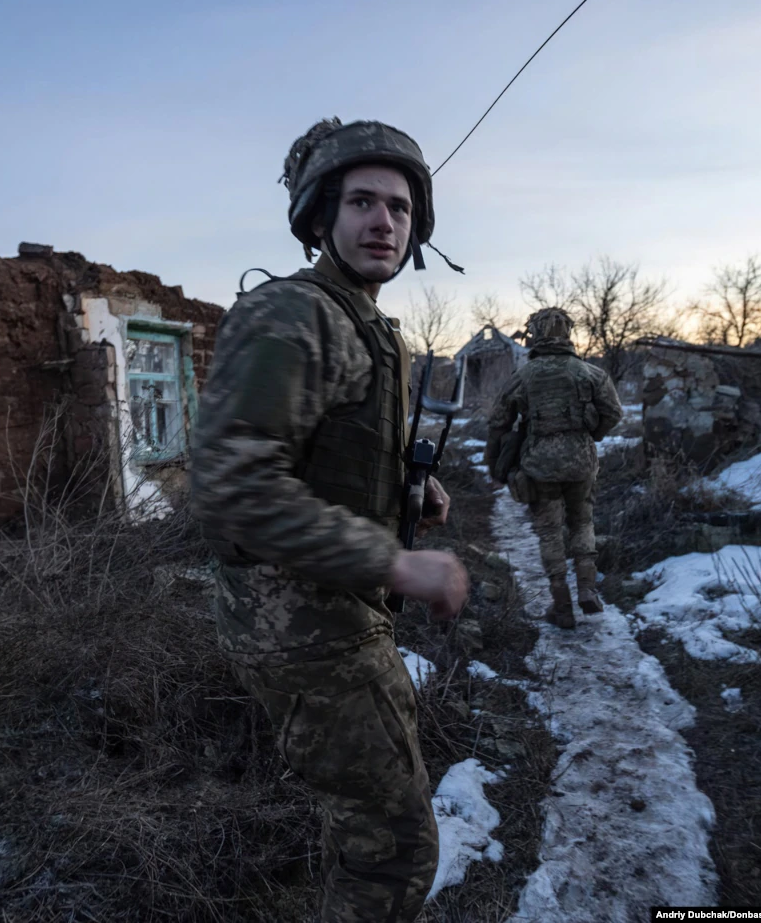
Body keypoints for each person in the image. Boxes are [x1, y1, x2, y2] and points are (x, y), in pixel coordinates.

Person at [191, 117, 470, 922]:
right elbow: (235, 483)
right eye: (361, 202)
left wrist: (407, 495)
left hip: (331, 620)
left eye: (399, 207)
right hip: (311, 632)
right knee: (396, 853)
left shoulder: (364, 322)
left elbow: (319, 455)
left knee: (362, 831)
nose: (384, 221)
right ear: (320, 216)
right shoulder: (294, 314)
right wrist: (396, 562)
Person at [484, 307, 623, 629]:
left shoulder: (524, 376)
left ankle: (562, 606)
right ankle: (587, 589)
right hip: (581, 462)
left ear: (534, 333)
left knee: (549, 531)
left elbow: (497, 424)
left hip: (539, 464)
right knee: (582, 522)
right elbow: (614, 412)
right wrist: (593, 434)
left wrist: (494, 466)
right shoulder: (590, 373)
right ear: (568, 333)